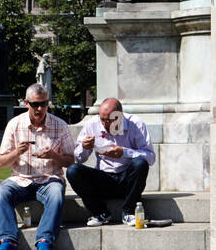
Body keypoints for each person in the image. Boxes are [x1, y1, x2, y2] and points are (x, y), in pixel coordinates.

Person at [0, 84, 75, 250]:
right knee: (2, 193)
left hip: (49, 178)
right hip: (20, 179)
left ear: (48, 103)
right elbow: (1, 162)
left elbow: (70, 161)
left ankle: (44, 240)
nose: (39, 109)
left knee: (56, 194)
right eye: (35, 104)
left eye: (43, 104)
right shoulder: (15, 124)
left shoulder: (59, 125)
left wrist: (54, 155)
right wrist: (17, 152)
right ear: (26, 103)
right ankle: (8, 242)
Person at [66, 97, 155, 226]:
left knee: (140, 163)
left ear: (120, 116)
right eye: (102, 119)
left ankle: (129, 212)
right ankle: (100, 213)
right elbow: (79, 159)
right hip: (104, 178)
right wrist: (84, 147)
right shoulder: (93, 124)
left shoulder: (136, 124)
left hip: (127, 178)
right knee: (73, 170)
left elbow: (150, 157)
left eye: (110, 120)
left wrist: (124, 152)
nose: (105, 124)